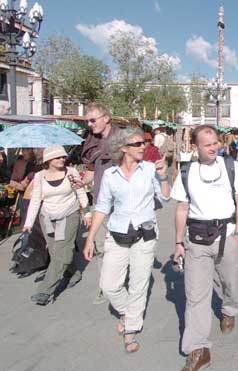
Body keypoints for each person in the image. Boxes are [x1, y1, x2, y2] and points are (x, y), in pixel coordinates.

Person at [83, 127, 170, 353]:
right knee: (109, 285)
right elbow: (101, 207)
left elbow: (166, 197)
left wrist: (164, 176)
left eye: (144, 143)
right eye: (137, 144)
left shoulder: (150, 169)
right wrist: (90, 238)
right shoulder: (111, 176)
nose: (143, 147)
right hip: (117, 234)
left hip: (145, 235)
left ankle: (131, 328)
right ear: (123, 149)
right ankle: (128, 311)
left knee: (138, 285)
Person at [171, 125, 238, 371]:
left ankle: (229, 309)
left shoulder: (231, 167)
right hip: (196, 240)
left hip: (227, 237)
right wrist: (178, 242)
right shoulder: (187, 171)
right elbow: (182, 208)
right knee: (196, 296)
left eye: (215, 142)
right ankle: (198, 348)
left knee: (230, 281)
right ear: (195, 147)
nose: (214, 147)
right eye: (207, 144)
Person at [23, 146, 91, 305]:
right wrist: (28, 224)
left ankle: (44, 290)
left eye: (63, 157)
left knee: (64, 252)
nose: (62, 159)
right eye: (57, 157)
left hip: (69, 214)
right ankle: (73, 273)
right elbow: (35, 200)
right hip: (47, 216)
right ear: (48, 160)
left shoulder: (71, 172)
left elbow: (80, 192)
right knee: (56, 252)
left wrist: (87, 213)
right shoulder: (40, 177)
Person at [77, 102, 116, 304]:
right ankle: (104, 286)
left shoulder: (122, 140)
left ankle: (119, 284)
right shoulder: (91, 142)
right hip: (100, 201)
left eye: (93, 120)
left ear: (106, 118)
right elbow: (92, 172)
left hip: (121, 203)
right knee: (100, 246)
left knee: (121, 246)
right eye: (88, 121)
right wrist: (80, 181)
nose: (90, 124)